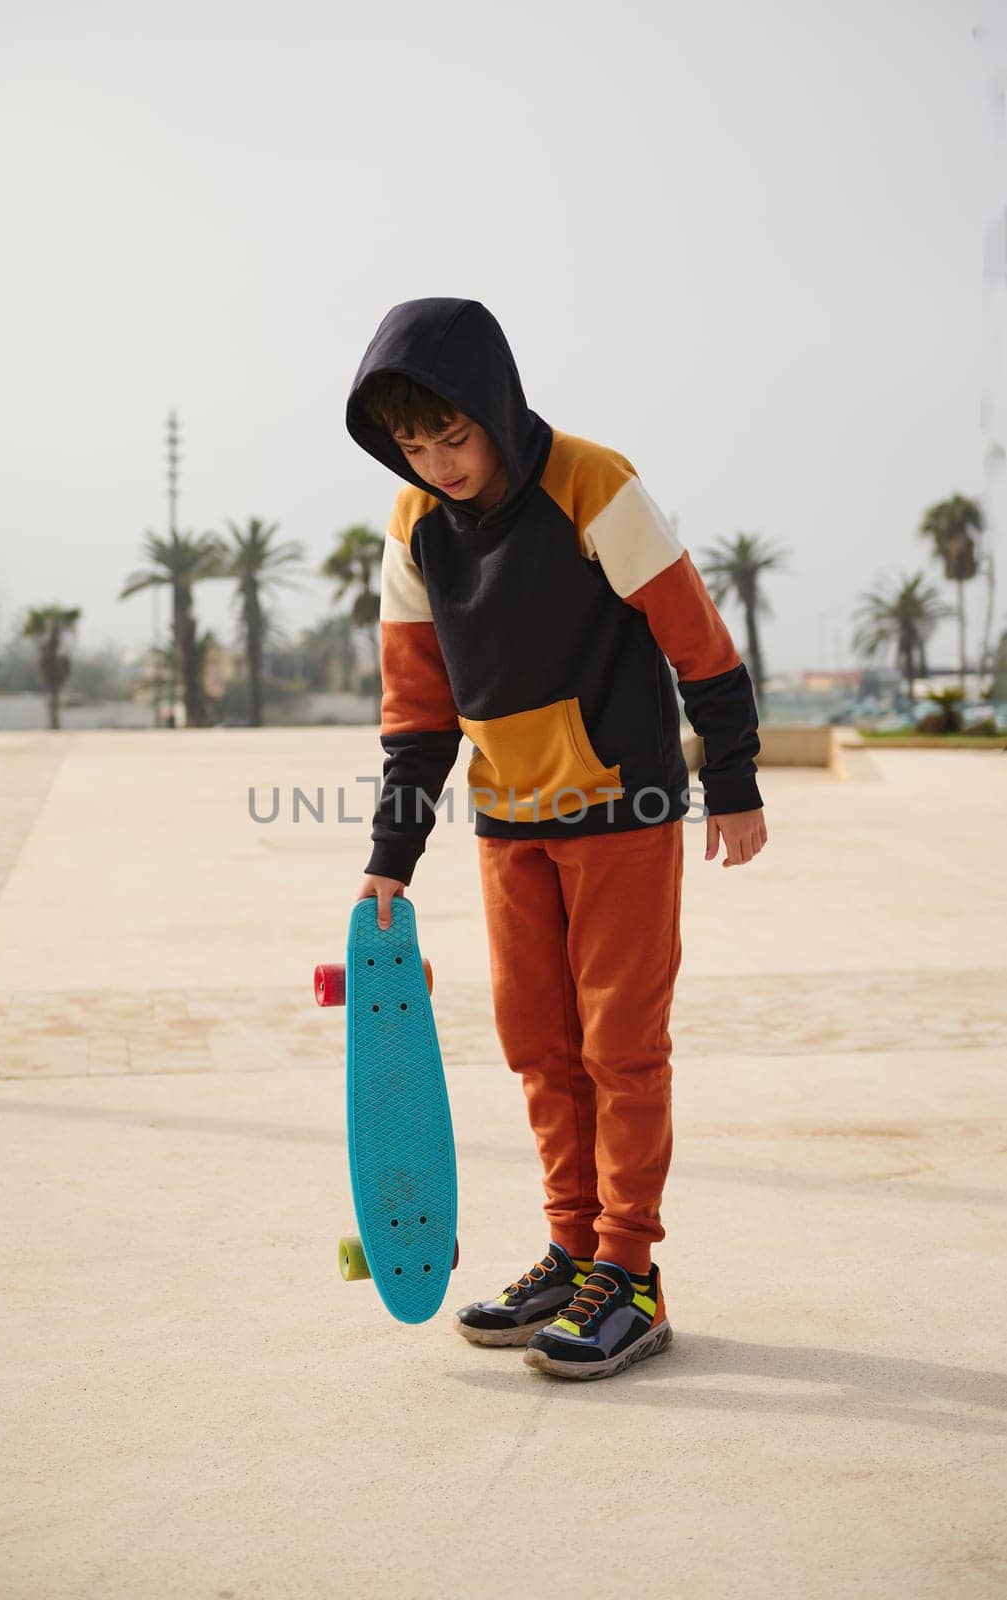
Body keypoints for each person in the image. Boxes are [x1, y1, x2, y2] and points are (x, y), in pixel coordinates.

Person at [345, 297, 768, 1381]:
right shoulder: (412, 528)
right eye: (414, 444)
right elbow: (416, 705)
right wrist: (391, 856)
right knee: (537, 1040)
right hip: (508, 818)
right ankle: (571, 1249)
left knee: (619, 1045)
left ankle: (630, 1273)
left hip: (621, 805)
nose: (438, 462)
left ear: (496, 407)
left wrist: (732, 778)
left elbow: (696, 635)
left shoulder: (592, 482)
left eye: (455, 434)